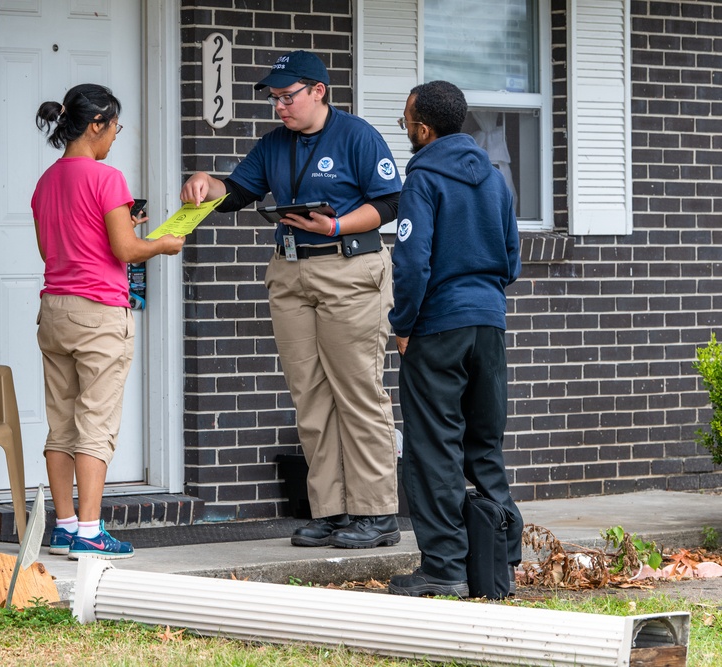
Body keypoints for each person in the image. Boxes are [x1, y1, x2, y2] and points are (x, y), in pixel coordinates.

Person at [180, 51, 403, 549]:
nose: (279, 107)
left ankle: (377, 512)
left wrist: (338, 224)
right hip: (290, 272)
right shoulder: (273, 144)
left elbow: (390, 201)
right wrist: (208, 183)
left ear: (318, 91)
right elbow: (238, 190)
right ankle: (331, 509)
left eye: (287, 97)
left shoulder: (358, 135)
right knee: (310, 395)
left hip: (348, 267)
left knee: (357, 391)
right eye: (275, 99)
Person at [32, 84, 185, 560]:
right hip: (99, 313)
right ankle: (92, 533)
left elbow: (54, 248)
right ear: (96, 124)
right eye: (114, 127)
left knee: (61, 424)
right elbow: (124, 251)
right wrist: (162, 242)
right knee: (95, 423)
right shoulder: (107, 178)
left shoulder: (46, 181)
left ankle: (64, 528)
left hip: (55, 308)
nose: (116, 137)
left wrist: (121, 231)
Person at [386, 81, 523, 597]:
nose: (406, 132)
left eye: (406, 123)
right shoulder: (494, 179)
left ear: (424, 128)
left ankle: (444, 567)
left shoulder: (422, 178)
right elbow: (511, 259)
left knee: (432, 447)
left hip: (437, 326)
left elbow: (412, 261)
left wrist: (403, 324)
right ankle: (500, 561)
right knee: (484, 443)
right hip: (489, 323)